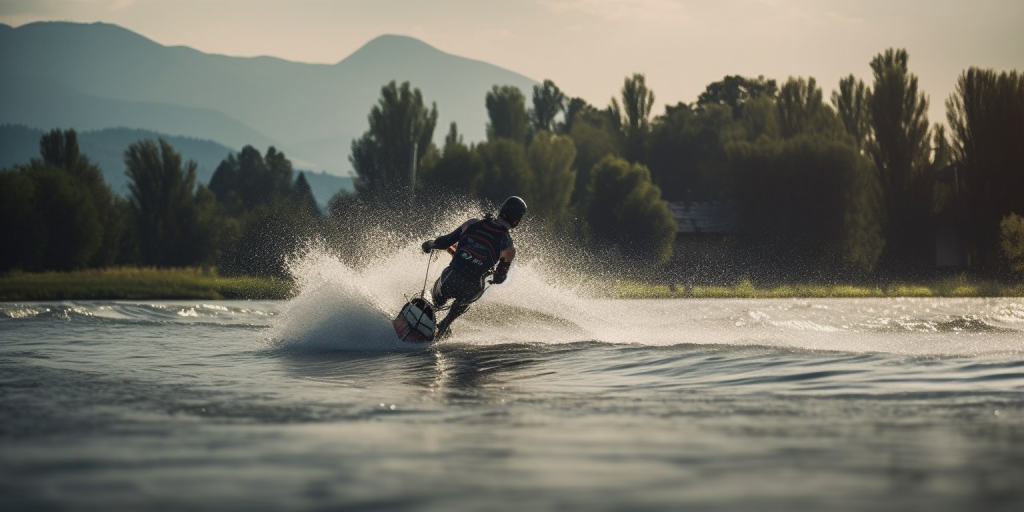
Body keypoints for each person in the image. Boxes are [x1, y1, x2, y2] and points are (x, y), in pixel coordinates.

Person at [421, 196, 526, 339]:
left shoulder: (472, 224)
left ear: (501, 211)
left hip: (451, 279)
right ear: (516, 222)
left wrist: (431, 244)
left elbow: (445, 242)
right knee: (473, 289)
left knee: (438, 298)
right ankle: (444, 326)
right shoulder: (509, 247)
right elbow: (499, 278)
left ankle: (426, 314)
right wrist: (488, 272)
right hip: (472, 289)